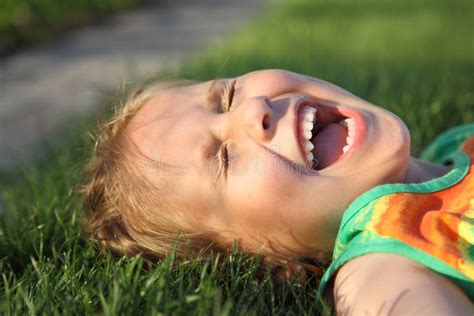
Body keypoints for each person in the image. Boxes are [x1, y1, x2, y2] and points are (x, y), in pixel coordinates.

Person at [82, 69, 473, 314]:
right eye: (224, 160)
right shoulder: (382, 262)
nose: (252, 111)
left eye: (228, 95)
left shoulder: (455, 148)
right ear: (274, 262)